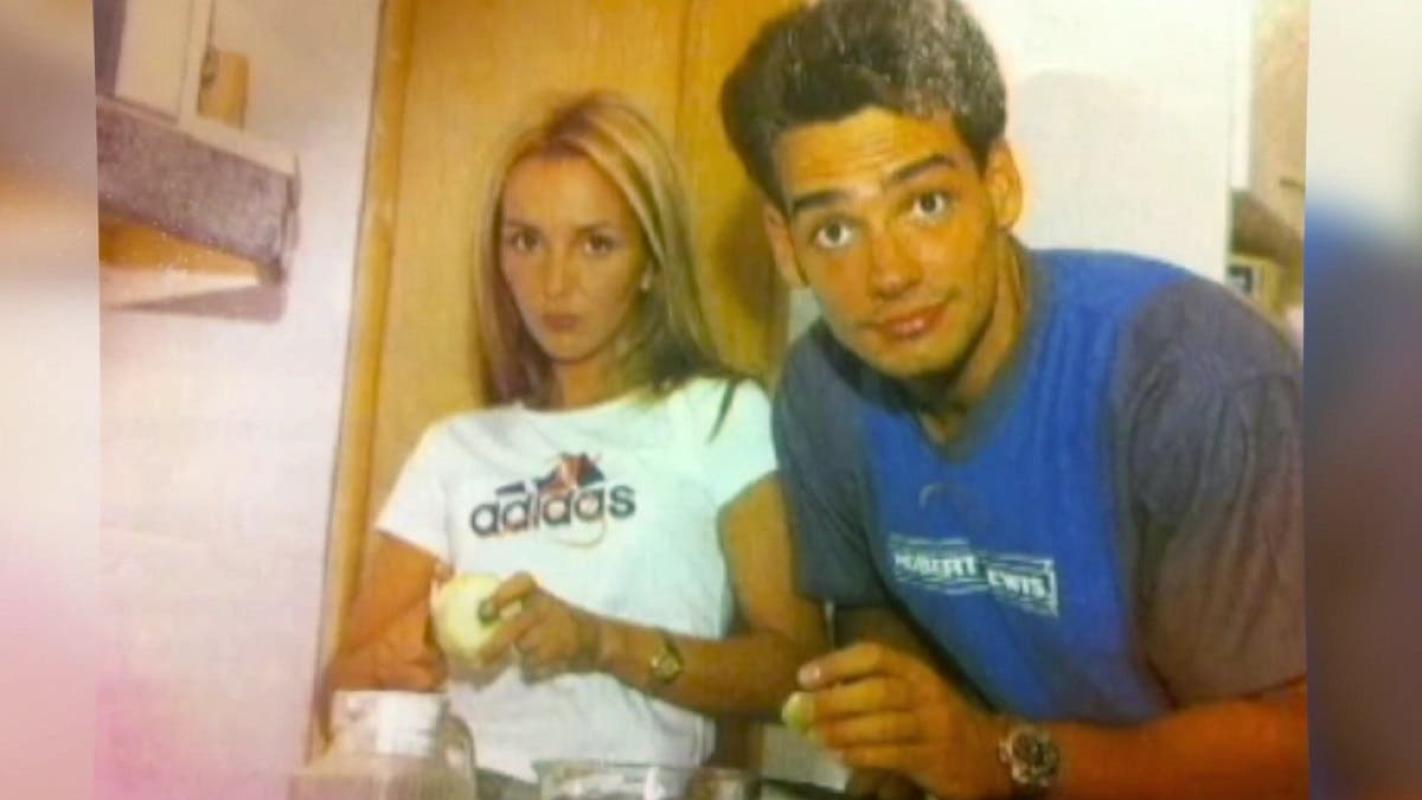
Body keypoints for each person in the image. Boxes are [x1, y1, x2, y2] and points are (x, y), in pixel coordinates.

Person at [719, 1, 1306, 798]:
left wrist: (993, 756)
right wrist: (903, 745)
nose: (889, 274)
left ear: (1000, 185)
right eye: (835, 231)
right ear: (785, 245)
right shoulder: (823, 394)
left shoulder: (1188, 380)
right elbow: (877, 616)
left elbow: (1304, 746)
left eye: (925, 204)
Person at [327, 91, 826, 791]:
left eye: (596, 244)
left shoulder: (719, 417)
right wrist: (402, 655)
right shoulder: (452, 450)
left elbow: (795, 671)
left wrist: (601, 641)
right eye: (526, 241)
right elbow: (341, 689)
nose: (554, 283)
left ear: (651, 261)